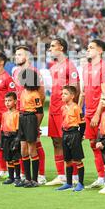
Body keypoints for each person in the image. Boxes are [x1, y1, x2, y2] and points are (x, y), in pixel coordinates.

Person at [46, 38, 80, 187]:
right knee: (56, 141)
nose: (50, 49)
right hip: (53, 108)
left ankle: (74, 176)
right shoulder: (53, 66)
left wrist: (72, 109)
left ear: (61, 48)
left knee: (69, 143)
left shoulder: (69, 66)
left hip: (64, 111)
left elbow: (75, 89)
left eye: (53, 46)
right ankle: (61, 176)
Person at [79, 40, 105, 189]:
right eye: (87, 47)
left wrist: (98, 114)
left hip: (101, 113)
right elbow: (83, 92)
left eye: (91, 48)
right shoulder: (86, 68)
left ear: (100, 51)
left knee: (104, 144)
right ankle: (101, 177)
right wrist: (79, 109)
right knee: (93, 144)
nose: (88, 50)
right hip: (88, 112)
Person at [12, 46, 47, 184]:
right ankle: (25, 176)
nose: (16, 57)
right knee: (23, 146)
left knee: (35, 144)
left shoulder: (34, 72)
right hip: (21, 114)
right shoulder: (15, 72)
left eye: (19, 54)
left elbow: (42, 95)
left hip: (31, 115)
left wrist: (35, 120)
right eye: (16, 54)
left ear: (27, 56)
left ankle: (40, 174)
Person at [0, 51, 16, 180]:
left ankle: (14, 170)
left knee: (7, 142)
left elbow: (13, 97)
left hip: (5, 115)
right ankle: (2, 169)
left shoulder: (7, 78)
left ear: (2, 62)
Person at [16, 68, 44, 188]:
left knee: (32, 148)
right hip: (22, 118)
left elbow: (40, 112)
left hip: (30, 118)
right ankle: (27, 178)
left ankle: (35, 179)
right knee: (23, 149)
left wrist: (35, 126)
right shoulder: (23, 91)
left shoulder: (35, 94)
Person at [56, 85, 85, 192]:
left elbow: (82, 124)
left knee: (77, 160)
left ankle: (81, 184)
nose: (62, 95)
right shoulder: (63, 108)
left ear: (72, 96)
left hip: (74, 135)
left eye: (65, 94)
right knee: (67, 160)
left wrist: (80, 137)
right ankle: (68, 183)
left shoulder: (76, 108)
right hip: (65, 135)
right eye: (62, 93)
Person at [0, 92, 21, 185]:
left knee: (15, 158)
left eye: (10, 101)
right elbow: (2, 128)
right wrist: (1, 140)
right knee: (8, 158)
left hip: (14, 137)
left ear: (15, 101)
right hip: (6, 137)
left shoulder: (17, 114)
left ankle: (17, 177)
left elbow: (18, 129)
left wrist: (17, 140)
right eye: (6, 101)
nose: (7, 103)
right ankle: (11, 177)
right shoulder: (4, 114)